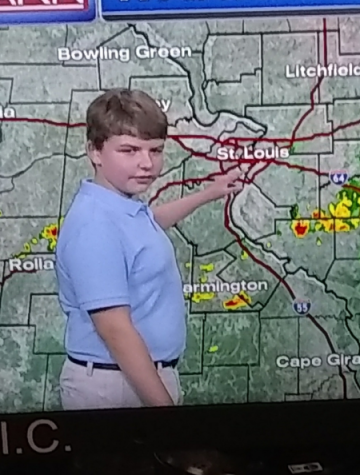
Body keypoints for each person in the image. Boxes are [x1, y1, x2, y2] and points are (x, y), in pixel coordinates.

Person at [56, 88, 243, 410]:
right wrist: (166, 416)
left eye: (155, 150)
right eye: (129, 150)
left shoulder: (116, 207)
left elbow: (146, 227)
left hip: (129, 379)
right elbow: (115, 330)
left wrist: (207, 194)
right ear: (95, 151)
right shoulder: (94, 225)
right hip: (116, 388)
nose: (147, 164)